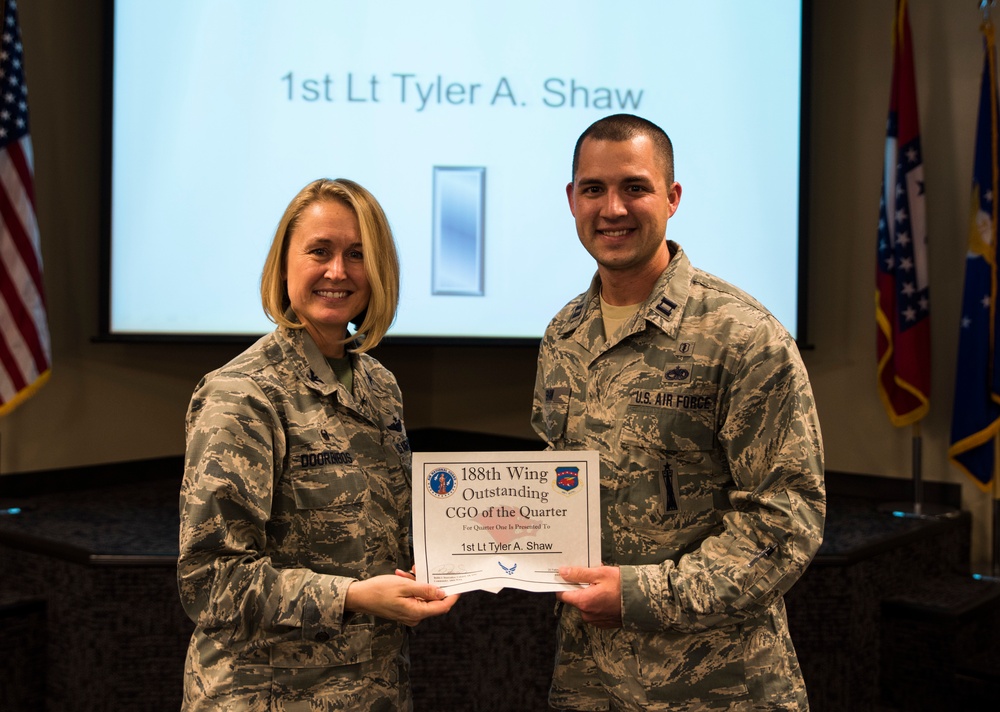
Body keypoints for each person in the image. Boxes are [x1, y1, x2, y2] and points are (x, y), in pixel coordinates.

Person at [531, 114, 825, 711]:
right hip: (589, 680)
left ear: (672, 196)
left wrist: (640, 595)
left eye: (634, 187)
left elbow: (787, 522)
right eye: (594, 189)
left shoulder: (744, 336)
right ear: (571, 200)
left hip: (717, 686)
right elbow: (552, 492)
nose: (612, 208)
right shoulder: (563, 335)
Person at [178, 178, 458, 711]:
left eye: (358, 254)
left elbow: (379, 536)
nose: (338, 271)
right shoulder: (243, 394)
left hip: (373, 687)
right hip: (269, 696)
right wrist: (352, 596)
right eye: (319, 251)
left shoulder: (378, 386)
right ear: (284, 266)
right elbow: (211, 582)